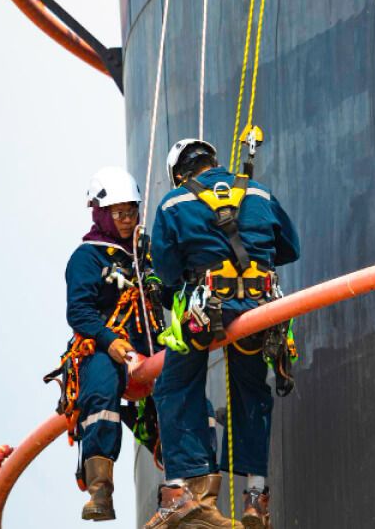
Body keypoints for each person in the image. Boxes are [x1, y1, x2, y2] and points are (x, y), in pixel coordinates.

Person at [143, 138, 300, 529]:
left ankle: (182, 491)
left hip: (206, 313)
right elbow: (289, 248)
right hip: (260, 313)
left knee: (175, 387)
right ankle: (255, 499)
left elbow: (167, 270)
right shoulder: (259, 192)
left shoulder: (175, 203)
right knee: (251, 392)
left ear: (179, 174)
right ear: (213, 162)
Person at [65, 166, 161, 521]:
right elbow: (79, 311)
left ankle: (192, 489)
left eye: (131, 211)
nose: (125, 219)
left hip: (149, 347)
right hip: (106, 349)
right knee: (102, 392)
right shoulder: (88, 257)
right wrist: (109, 340)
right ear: (102, 213)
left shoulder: (144, 256)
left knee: (183, 387)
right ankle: (100, 492)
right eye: (118, 213)